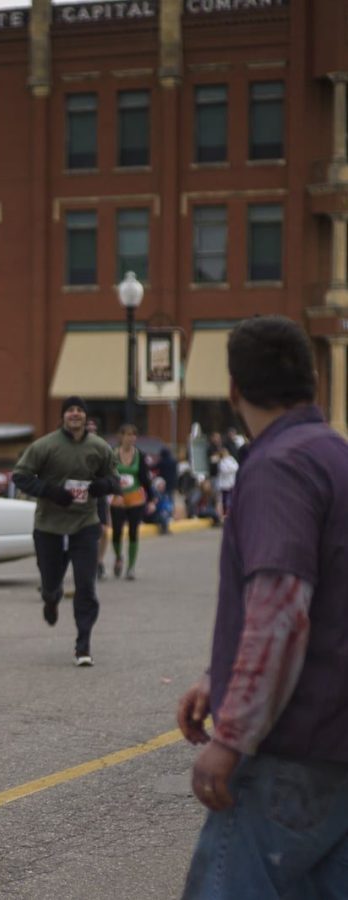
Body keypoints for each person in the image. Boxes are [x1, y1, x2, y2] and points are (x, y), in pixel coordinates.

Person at [177, 315, 348, 898]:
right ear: (314, 383)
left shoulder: (278, 467)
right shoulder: (335, 455)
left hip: (289, 749)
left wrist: (230, 740)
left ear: (233, 391)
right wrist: (216, 675)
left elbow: (281, 612)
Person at [12, 396, 118, 667]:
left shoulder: (99, 447)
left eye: (79, 410)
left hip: (85, 524)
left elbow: (114, 479)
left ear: (85, 417)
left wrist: (99, 487)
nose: (75, 414)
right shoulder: (45, 446)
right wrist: (49, 491)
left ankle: (83, 645)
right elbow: (20, 476)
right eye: (70, 410)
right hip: (49, 525)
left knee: (86, 585)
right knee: (50, 582)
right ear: (63, 417)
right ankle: (51, 597)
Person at [109, 424, 155, 581]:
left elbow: (145, 478)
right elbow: (109, 476)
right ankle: (118, 557)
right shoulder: (113, 455)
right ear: (121, 437)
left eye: (134, 435)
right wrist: (115, 492)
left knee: (133, 532)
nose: (131, 438)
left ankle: (131, 568)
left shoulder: (140, 455)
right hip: (118, 498)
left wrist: (151, 498)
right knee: (116, 532)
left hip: (135, 497)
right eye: (128, 435)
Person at [86, 419, 110, 578]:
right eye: (89, 429)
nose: (92, 432)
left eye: (94, 430)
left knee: (104, 530)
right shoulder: (75, 448)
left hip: (100, 493)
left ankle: (100, 561)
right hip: (83, 493)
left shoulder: (103, 449)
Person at [216, 446, 239, 517]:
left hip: (231, 483)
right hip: (224, 485)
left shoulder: (231, 459)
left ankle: (232, 513)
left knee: (232, 499)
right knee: (225, 500)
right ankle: (225, 513)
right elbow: (224, 470)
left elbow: (236, 467)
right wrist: (231, 468)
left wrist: (230, 469)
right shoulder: (221, 462)